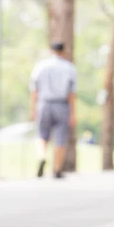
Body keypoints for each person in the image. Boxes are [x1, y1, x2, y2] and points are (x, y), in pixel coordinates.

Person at [30, 42, 77, 179]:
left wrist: (34, 108)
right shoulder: (69, 68)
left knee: (41, 135)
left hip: (43, 104)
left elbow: (34, 90)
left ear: (51, 51)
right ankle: (57, 169)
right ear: (63, 51)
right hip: (62, 105)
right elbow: (72, 94)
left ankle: (42, 156)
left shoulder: (40, 66)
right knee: (60, 138)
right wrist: (73, 113)